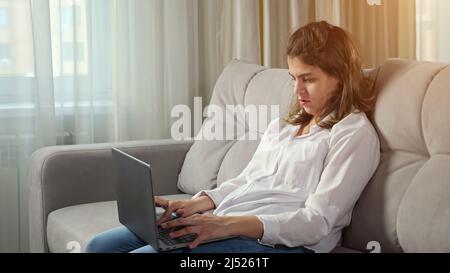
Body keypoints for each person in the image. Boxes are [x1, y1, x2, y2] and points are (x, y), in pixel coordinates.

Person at [85, 20, 380, 253]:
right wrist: (197, 204)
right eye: (294, 79)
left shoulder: (353, 134)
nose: (298, 91)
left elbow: (317, 222)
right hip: (228, 219)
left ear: (341, 76)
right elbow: (247, 181)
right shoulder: (285, 126)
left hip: (283, 244)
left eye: (309, 79)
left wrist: (227, 226)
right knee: (98, 247)